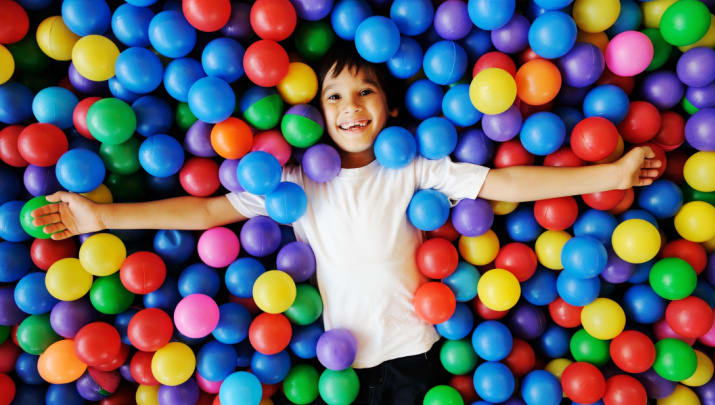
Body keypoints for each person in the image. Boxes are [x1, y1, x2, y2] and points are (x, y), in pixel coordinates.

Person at [31, 45, 660, 404]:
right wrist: (102, 217)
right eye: (335, 96)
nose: (351, 106)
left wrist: (608, 174)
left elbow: (507, 185)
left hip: (420, 358)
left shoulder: (412, 166)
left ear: (387, 106)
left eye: (365, 93)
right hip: (337, 369)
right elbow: (204, 212)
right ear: (317, 115)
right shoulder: (299, 183)